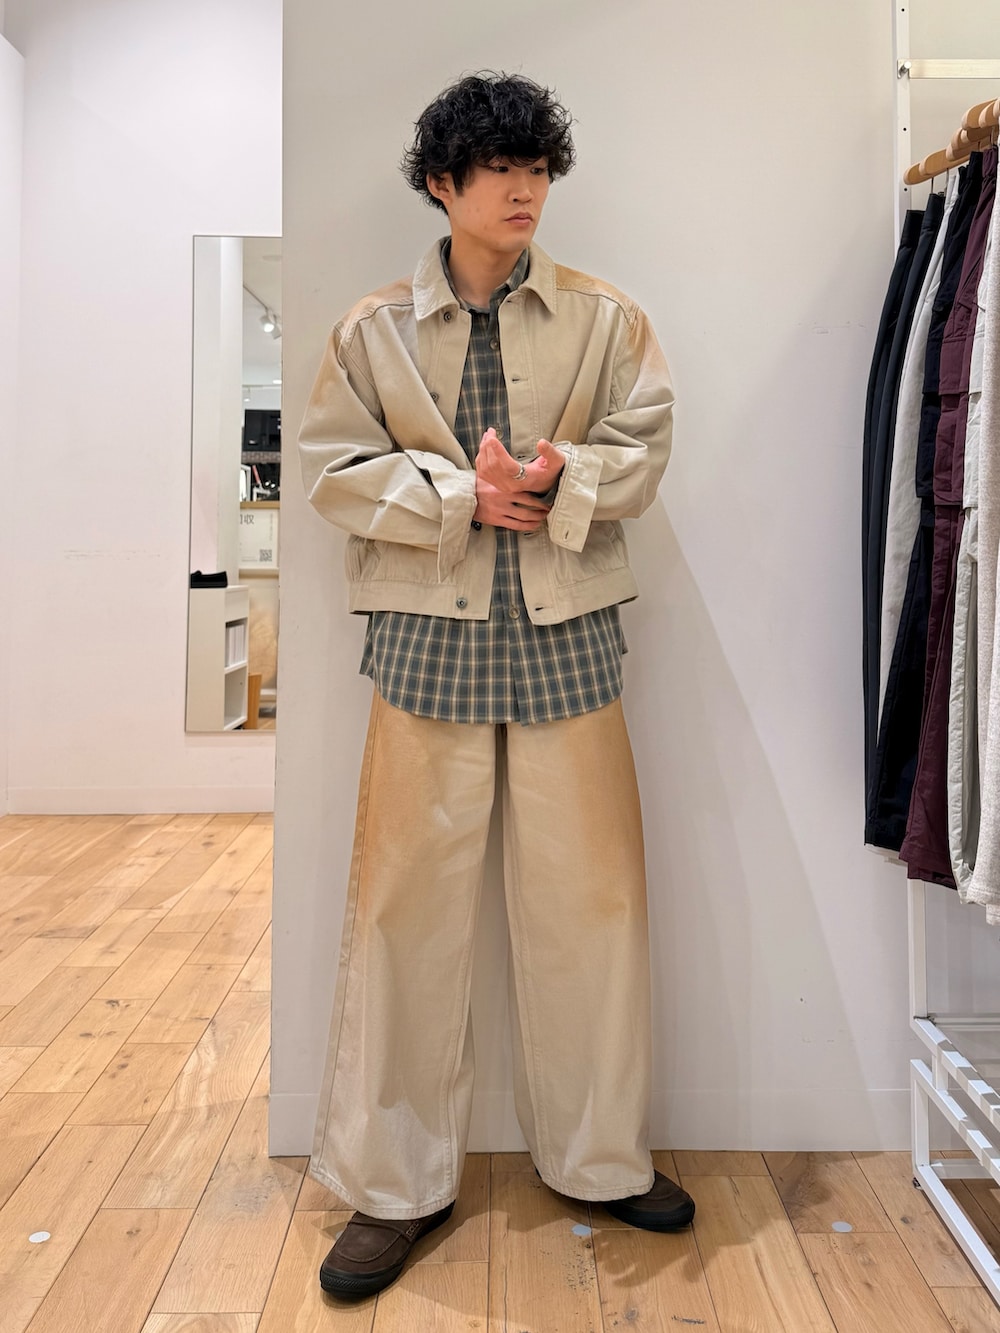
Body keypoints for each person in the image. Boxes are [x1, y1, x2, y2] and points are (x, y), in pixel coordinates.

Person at [297, 70, 691, 1300]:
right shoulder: (370, 330)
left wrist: (561, 476)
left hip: (567, 636)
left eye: (537, 169)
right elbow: (329, 467)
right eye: (499, 170)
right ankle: (392, 1185)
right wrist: (459, 495)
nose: (524, 190)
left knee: (595, 907)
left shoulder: (606, 318)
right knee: (402, 914)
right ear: (442, 184)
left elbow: (643, 445)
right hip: (428, 643)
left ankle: (600, 1157)